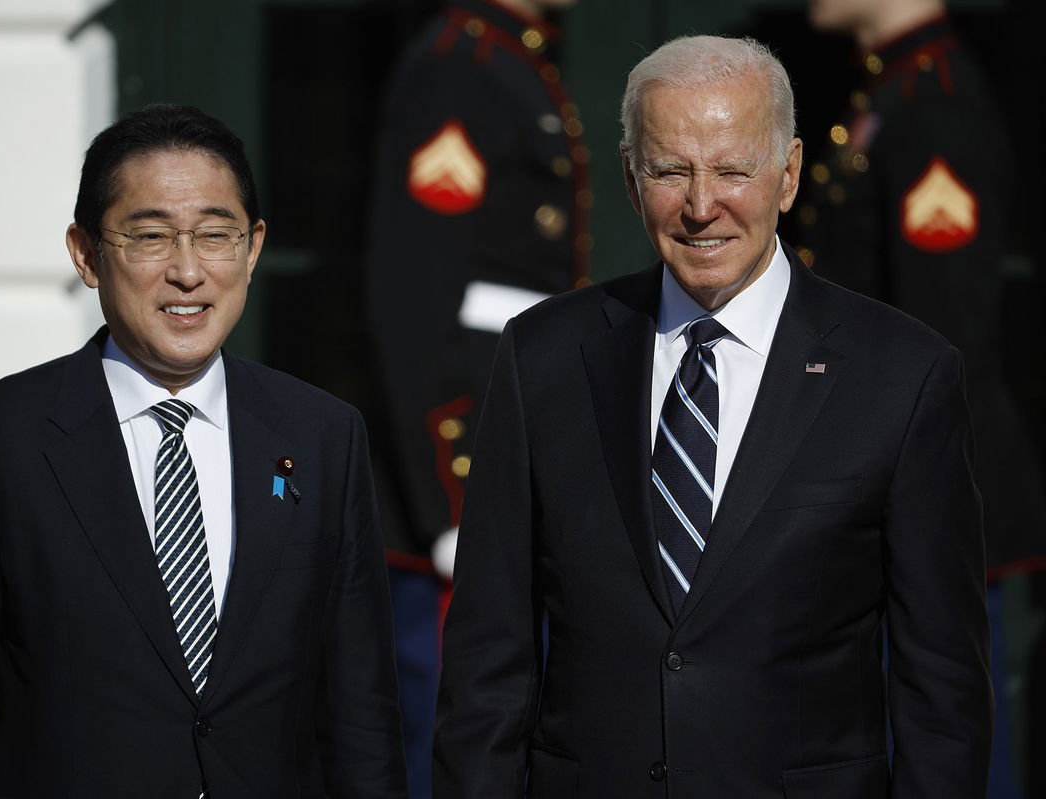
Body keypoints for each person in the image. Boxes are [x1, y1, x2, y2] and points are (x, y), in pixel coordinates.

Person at [434, 35, 991, 798]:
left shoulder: (903, 375)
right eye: (670, 171)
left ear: (788, 173)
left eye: (733, 169)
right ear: (632, 180)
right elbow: (485, 664)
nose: (702, 206)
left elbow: (943, 695)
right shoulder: (543, 357)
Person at [0, 104, 407, 798]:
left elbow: (361, 716)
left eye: (215, 235)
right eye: (151, 236)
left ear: (252, 248)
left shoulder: (322, 436)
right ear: (85, 253)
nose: (188, 272)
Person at [795, 2, 1046, 794]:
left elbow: (943, 341)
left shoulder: (934, 101)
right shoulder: (890, 93)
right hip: (880, 489)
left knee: (949, 750)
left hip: (925, 501)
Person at [364, 1, 585, 796]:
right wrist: (452, 504)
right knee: (445, 747)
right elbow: (415, 301)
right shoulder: (459, 66)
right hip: (458, 490)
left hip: (508, 471)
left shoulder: (509, 60)